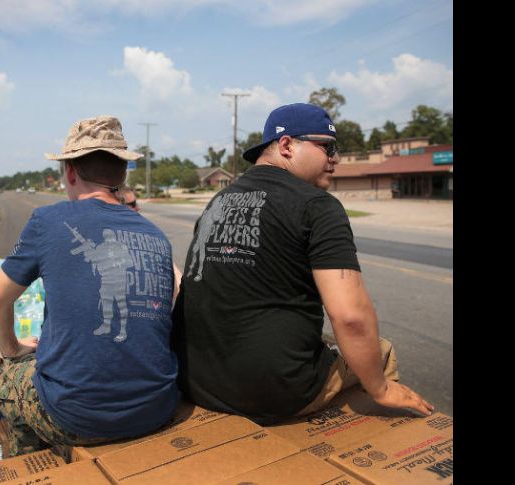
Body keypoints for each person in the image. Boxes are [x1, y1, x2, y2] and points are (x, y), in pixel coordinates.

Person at [171, 103, 433, 425]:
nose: (335, 158)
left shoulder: (218, 200)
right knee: (380, 351)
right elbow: (351, 318)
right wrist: (380, 389)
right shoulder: (318, 207)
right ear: (286, 146)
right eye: (328, 147)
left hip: (195, 381)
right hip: (273, 392)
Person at [0, 115, 179, 458]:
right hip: (157, 409)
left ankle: (32, 466)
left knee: (9, 377)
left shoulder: (48, 220)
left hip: (77, 418)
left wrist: (13, 350)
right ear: (122, 173)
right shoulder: (156, 235)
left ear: (70, 171)